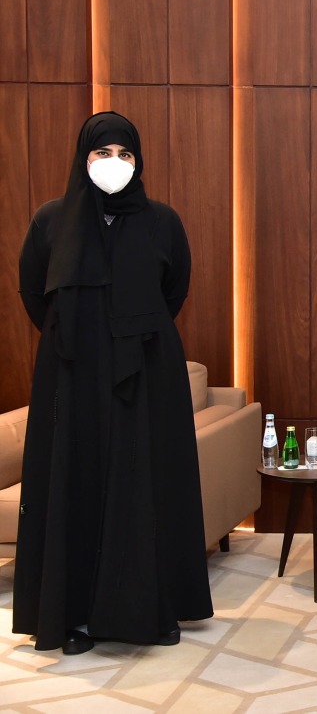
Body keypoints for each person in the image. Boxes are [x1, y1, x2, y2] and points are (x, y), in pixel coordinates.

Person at [14, 111, 213, 654]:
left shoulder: (161, 221)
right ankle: (72, 617)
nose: (114, 164)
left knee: (145, 483)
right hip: (72, 373)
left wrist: (128, 327)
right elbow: (34, 292)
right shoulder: (51, 220)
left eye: (125, 154)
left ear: (139, 162)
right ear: (83, 159)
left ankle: (154, 609)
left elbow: (175, 291)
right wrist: (80, 336)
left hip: (147, 370)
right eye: (102, 153)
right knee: (76, 481)